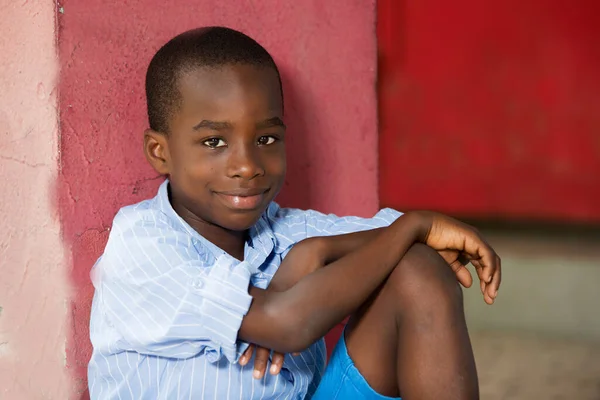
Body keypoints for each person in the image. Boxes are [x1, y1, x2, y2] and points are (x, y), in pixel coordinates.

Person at [88, 26, 501, 400]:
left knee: (415, 268)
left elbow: (408, 242)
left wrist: (317, 250)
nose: (247, 166)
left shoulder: (287, 230)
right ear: (160, 152)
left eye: (266, 137)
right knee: (401, 245)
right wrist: (414, 224)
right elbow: (287, 325)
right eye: (214, 142)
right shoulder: (142, 243)